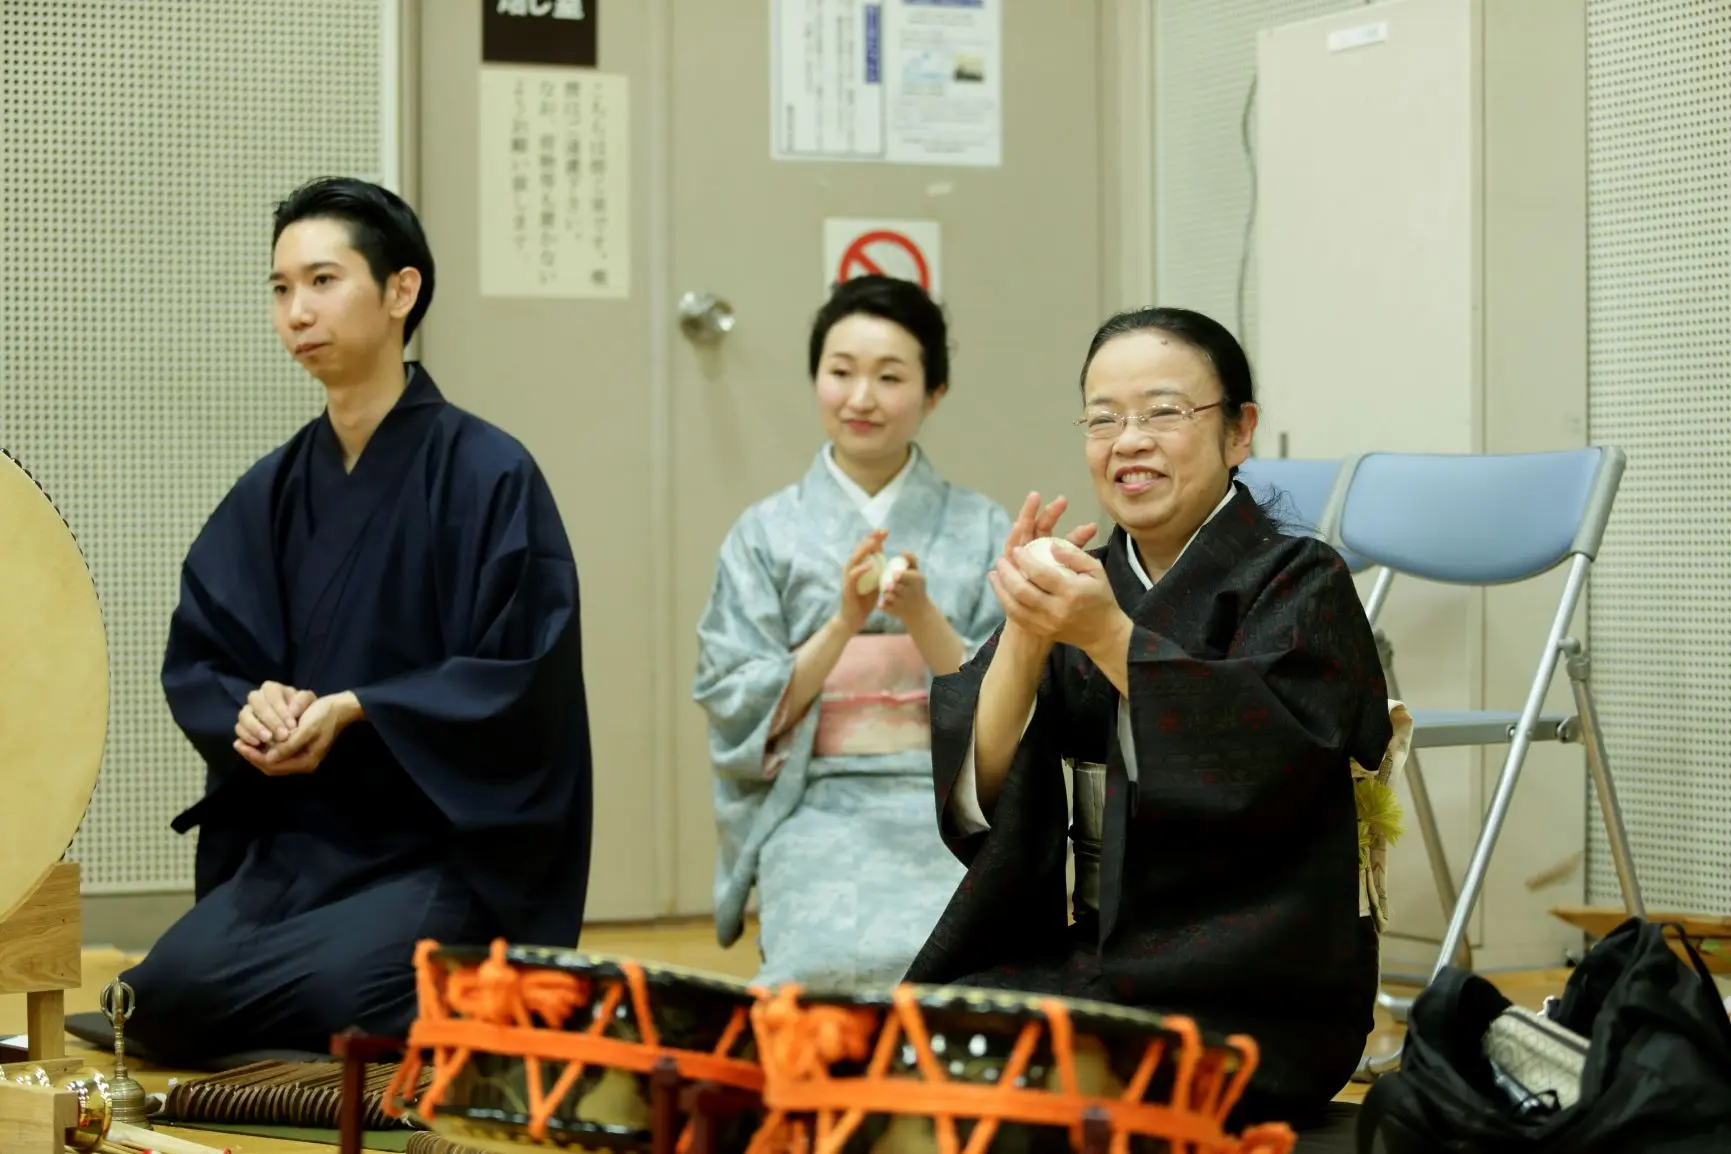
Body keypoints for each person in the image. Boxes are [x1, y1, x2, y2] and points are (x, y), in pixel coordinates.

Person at [118, 177, 593, 1064]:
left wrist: (361, 707)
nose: (297, 311)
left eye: (323, 281)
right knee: (152, 1001)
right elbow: (204, 654)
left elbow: (522, 675)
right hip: (300, 847)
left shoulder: (489, 473)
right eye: (281, 288)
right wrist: (252, 708)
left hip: (438, 849)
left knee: (352, 995)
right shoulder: (272, 489)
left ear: (400, 291)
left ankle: (431, 1003)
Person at [903, 306, 1409, 1125]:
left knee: (1003, 1085)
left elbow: (1271, 776)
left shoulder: (1301, 582)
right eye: (1103, 419)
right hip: (1107, 959)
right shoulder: (1088, 581)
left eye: (1163, 412)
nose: (1128, 441)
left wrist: (1108, 636)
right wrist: (1026, 634)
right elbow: (984, 795)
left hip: (1258, 988)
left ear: (1238, 431)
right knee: (912, 1043)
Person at [693, 276, 1012, 990]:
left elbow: (1011, 696)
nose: (860, 398)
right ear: (816, 378)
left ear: (933, 394)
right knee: (817, 969)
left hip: (949, 803)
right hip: (812, 799)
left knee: (970, 971)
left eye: (889, 377)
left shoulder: (982, 526)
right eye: (841, 372)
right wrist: (843, 624)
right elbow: (735, 697)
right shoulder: (765, 533)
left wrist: (922, 618)